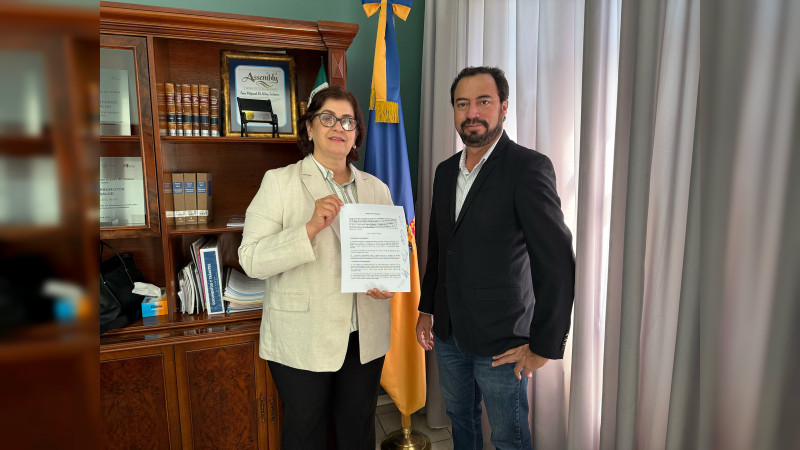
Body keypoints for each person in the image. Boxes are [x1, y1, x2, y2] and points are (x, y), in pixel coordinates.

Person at [415, 66, 575, 449]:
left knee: (509, 437)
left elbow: (556, 262)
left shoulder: (528, 168)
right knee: (461, 421)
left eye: (483, 102)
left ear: (504, 107)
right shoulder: (442, 172)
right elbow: (439, 248)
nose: (472, 112)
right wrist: (426, 308)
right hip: (449, 332)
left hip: (504, 341)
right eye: (462, 103)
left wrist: (543, 346)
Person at [239, 85, 394, 449]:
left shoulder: (377, 189)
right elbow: (251, 259)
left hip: (364, 335)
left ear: (356, 134)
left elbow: (387, 256)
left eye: (348, 121)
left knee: (357, 430)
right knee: (305, 433)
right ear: (309, 127)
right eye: (327, 118)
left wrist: (387, 280)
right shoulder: (279, 182)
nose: (338, 126)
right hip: (302, 336)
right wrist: (308, 229)